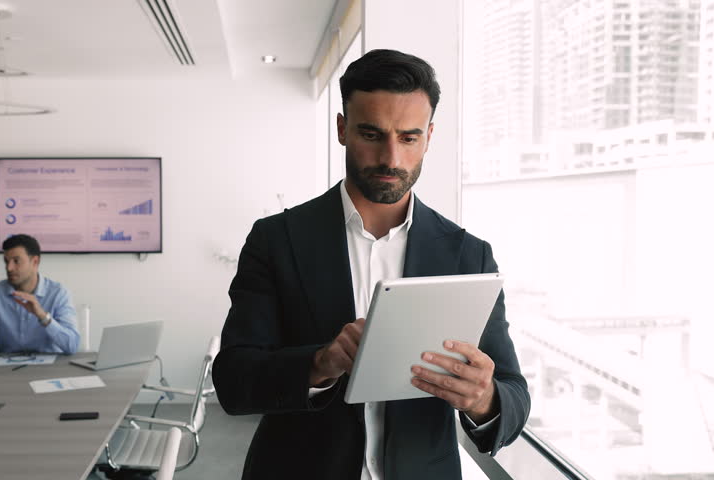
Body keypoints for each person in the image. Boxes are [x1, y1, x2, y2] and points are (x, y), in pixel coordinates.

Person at [212, 49, 530, 480]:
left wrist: (483, 399)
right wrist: (320, 363)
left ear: (430, 136)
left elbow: (513, 396)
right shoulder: (276, 241)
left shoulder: (468, 255)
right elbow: (233, 382)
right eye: (372, 134)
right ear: (342, 129)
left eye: (409, 138)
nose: (391, 159)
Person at [0, 234, 79, 367]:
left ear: (35, 262)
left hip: (49, 369)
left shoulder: (58, 293)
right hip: (9, 368)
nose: (9, 268)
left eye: (16, 261)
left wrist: (43, 316)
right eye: (6, 261)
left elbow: (72, 345)